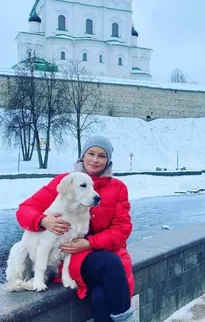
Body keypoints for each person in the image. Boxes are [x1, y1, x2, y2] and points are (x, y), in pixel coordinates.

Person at [15, 135, 134, 322]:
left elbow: (122, 228)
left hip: (102, 251)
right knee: (108, 273)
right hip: (69, 256)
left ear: (108, 160)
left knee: (101, 295)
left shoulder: (118, 188)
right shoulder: (64, 182)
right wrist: (42, 220)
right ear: (83, 156)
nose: (95, 160)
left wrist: (89, 242)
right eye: (91, 153)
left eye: (101, 156)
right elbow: (25, 210)